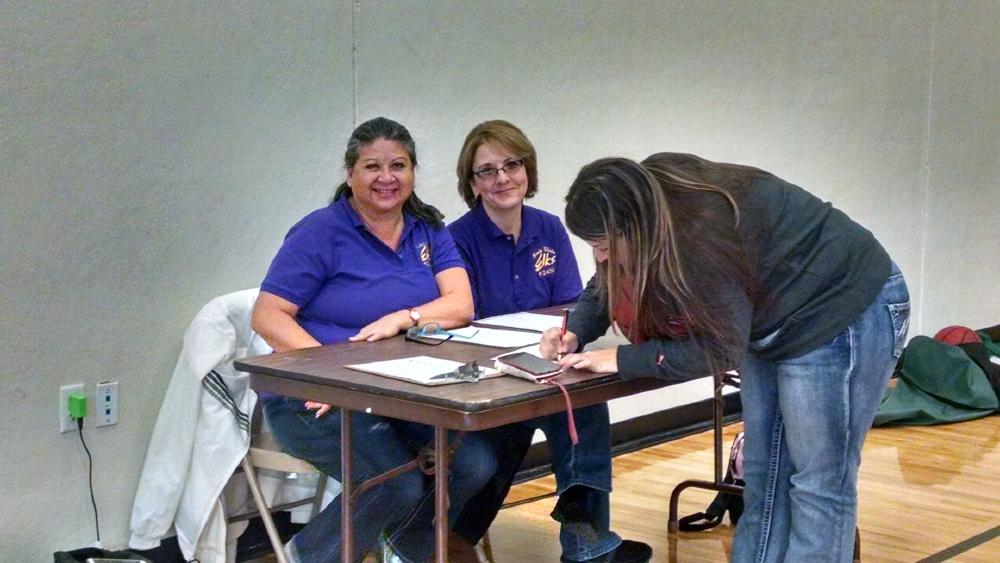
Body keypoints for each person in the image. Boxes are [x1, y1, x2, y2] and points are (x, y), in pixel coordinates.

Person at [541, 152, 910, 563]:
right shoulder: (646, 207)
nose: (603, 256)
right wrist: (577, 329)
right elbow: (605, 278)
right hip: (773, 323)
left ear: (634, 228)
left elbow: (719, 349)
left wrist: (624, 360)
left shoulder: (699, 230)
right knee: (764, 477)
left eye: (605, 245)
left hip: (843, 308)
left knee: (818, 485)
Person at [251, 117, 496, 563]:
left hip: (399, 388)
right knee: (395, 482)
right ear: (350, 174)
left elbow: (460, 305)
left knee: (475, 462)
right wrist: (328, 375)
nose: (387, 178)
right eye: (372, 166)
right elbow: (267, 315)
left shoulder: (427, 227)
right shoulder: (321, 232)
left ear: (413, 172)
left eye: (398, 165)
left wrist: (405, 316)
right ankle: (310, 555)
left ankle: (402, 540)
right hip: (313, 396)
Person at [448, 120, 652, 563]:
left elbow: (569, 305)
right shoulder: (457, 239)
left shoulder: (550, 227)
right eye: (487, 170)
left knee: (585, 395)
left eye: (512, 164)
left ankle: (583, 532)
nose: (502, 178)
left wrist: (565, 337)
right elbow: (465, 322)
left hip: (541, 362)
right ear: (472, 182)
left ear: (528, 169)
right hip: (487, 372)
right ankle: (582, 528)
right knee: (548, 417)